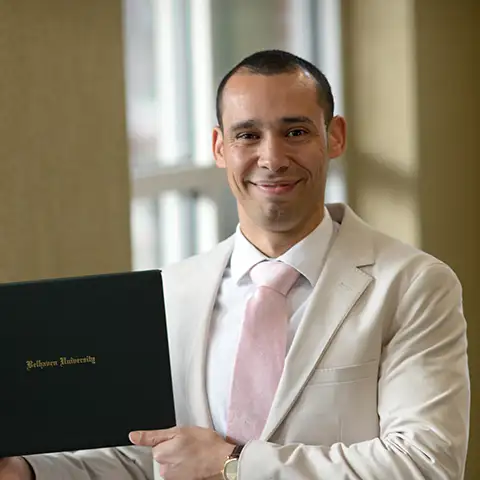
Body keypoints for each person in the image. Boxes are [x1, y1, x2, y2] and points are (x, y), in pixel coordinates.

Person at [0, 49, 470, 480]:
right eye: (248, 135)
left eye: (295, 132)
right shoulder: (174, 290)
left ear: (335, 137)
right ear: (220, 147)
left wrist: (235, 464)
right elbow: (152, 455)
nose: (273, 158)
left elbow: (425, 464)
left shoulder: (414, 285)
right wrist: (27, 472)